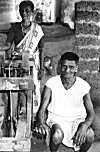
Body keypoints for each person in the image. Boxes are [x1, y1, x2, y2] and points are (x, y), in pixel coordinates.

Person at [0, 0, 44, 136]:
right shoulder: (14, 28)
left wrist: (41, 68)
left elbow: (41, 50)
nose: (24, 13)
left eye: (27, 11)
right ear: (19, 12)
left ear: (32, 12)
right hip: (17, 64)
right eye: (22, 11)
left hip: (32, 65)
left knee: (30, 93)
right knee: (15, 93)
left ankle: (31, 124)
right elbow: (8, 45)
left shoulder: (37, 30)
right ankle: (13, 122)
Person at [36, 52, 95, 152]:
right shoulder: (52, 83)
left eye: (71, 67)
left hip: (77, 119)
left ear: (76, 68)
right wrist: (41, 123)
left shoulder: (83, 85)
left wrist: (84, 126)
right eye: (64, 67)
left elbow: (91, 113)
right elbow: (42, 108)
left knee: (90, 135)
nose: (67, 71)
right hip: (57, 118)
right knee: (56, 136)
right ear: (60, 66)